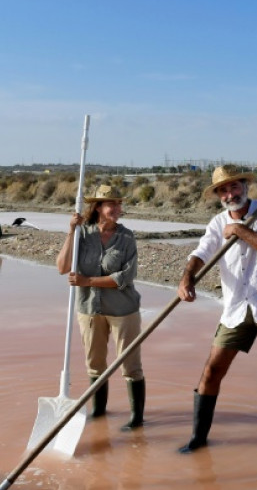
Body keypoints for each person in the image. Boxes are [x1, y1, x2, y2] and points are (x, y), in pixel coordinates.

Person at [177, 164, 257, 453]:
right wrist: (187, 279)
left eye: (234, 187)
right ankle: (198, 437)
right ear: (218, 195)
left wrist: (240, 231)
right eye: (223, 189)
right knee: (212, 371)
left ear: (245, 187)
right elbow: (201, 253)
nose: (230, 193)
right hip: (235, 308)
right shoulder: (217, 223)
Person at [56, 184, 146, 432]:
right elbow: (62, 267)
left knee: (130, 365)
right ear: (97, 207)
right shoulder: (82, 234)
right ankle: (98, 412)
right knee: (95, 364)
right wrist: (71, 231)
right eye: (111, 204)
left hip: (124, 310)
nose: (117, 208)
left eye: (119, 203)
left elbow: (125, 277)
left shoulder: (126, 237)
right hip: (89, 309)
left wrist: (87, 281)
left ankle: (137, 418)